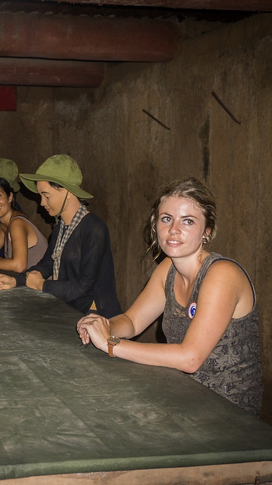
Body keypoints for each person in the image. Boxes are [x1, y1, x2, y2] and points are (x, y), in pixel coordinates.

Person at [76, 178, 262, 416]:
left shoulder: (222, 275)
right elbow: (133, 322)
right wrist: (104, 325)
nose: (174, 230)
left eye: (188, 221)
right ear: (155, 225)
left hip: (228, 409)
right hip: (182, 392)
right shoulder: (168, 269)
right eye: (166, 219)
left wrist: (111, 345)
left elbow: (190, 358)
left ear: (206, 232)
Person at [0, 154, 122, 317]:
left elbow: (83, 287)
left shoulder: (94, 229)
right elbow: (47, 264)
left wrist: (43, 285)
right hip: (71, 310)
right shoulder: (61, 228)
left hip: (96, 316)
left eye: (47, 196)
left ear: (68, 192)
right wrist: (16, 281)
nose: (42, 203)